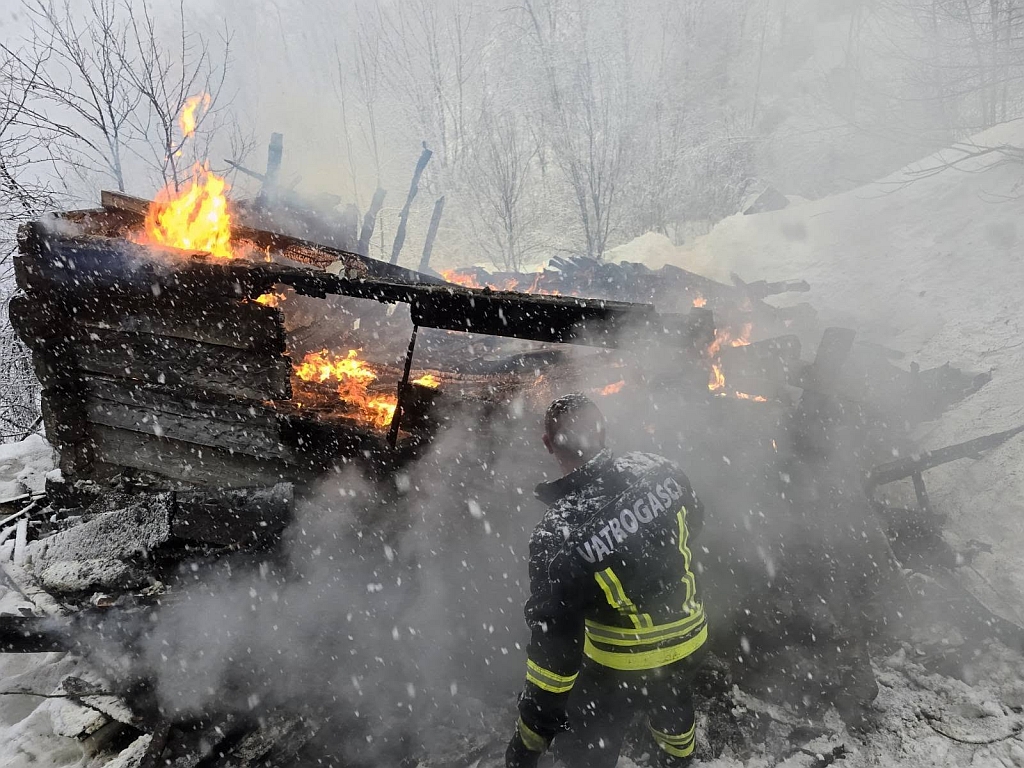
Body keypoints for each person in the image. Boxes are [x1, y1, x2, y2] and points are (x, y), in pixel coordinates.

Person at [506, 393, 709, 768]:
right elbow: (693, 523)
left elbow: (555, 655)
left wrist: (529, 738)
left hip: (617, 668)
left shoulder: (557, 533)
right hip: (691, 640)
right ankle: (678, 758)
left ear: (548, 444)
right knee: (673, 699)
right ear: (603, 431)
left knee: (589, 740)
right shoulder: (661, 469)